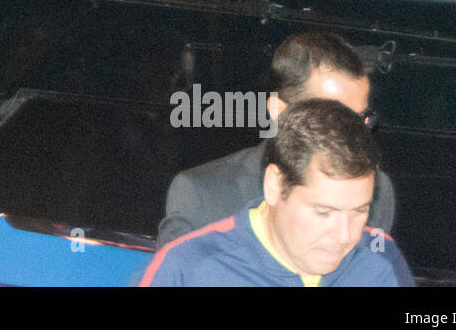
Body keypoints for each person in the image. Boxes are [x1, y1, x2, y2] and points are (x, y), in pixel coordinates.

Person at [141, 99, 414, 287]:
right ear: (274, 185)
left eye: (359, 211)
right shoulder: (189, 268)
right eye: (323, 212)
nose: (345, 236)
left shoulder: (380, 260)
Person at [157, 32, 395, 246]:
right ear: (279, 112)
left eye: (360, 120)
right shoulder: (203, 195)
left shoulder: (376, 192)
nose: (351, 136)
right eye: (330, 119)